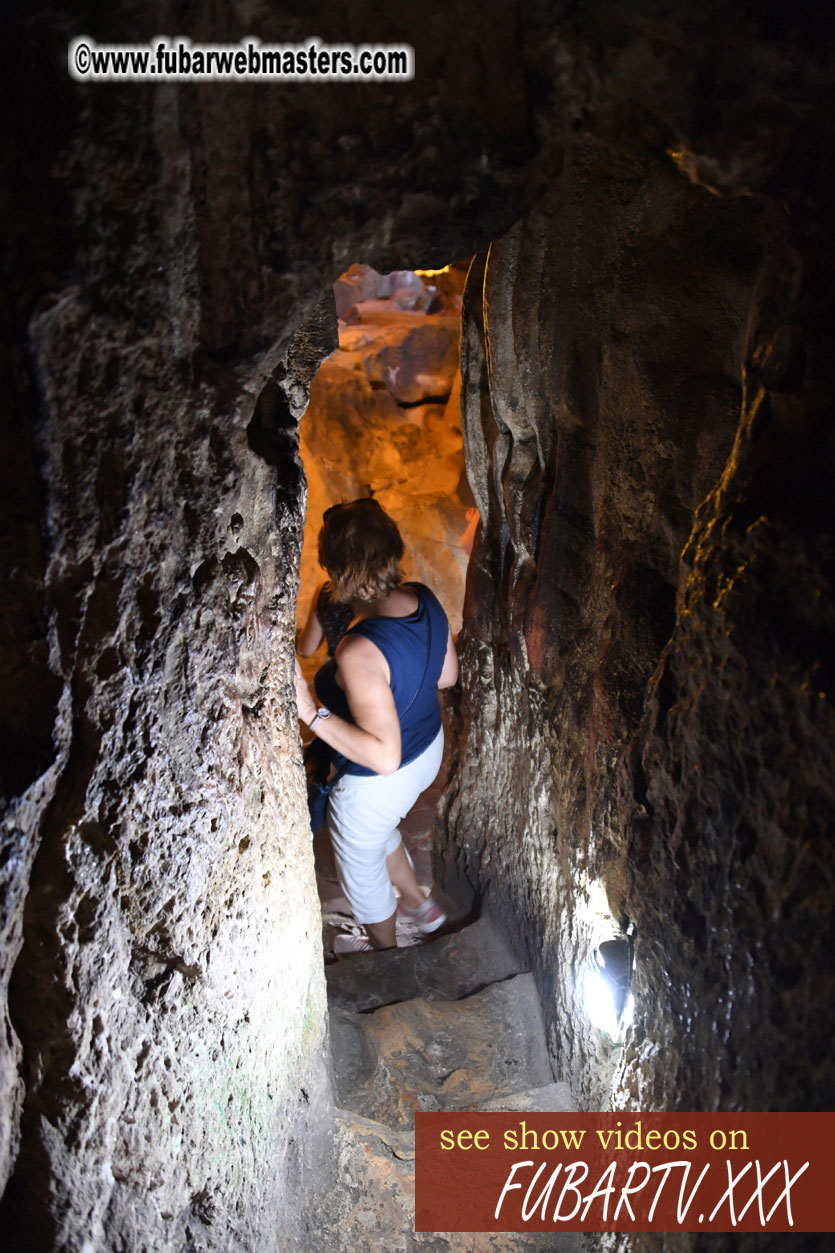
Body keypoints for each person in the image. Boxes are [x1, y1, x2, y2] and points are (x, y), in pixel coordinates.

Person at [294, 497, 458, 954]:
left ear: (334, 569)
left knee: (361, 868)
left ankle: (387, 958)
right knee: (380, 832)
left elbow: (383, 757)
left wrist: (311, 713)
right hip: (428, 749)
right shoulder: (422, 599)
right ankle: (418, 906)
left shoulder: (358, 648)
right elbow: (447, 676)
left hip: (384, 778)